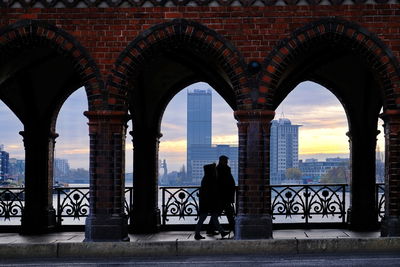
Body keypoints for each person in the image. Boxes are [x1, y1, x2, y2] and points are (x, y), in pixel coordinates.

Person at [194, 163, 229, 240]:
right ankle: (197, 233)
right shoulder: (210, 179)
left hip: (206, 202)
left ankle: (222, 232)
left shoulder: (206, 179)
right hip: (209, 202)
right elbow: (212, 192)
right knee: (208, 217)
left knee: (210, 217)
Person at [207, 155, 236, 235]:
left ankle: (210, 229)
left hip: (220, 196)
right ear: (223, 161)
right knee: (229, 214)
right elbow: (228, 183)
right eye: (226, 160)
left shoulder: (217, 169)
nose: (227, 162)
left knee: (217, 213)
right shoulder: (225, 169)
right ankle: (234, 230)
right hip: (224, 196)